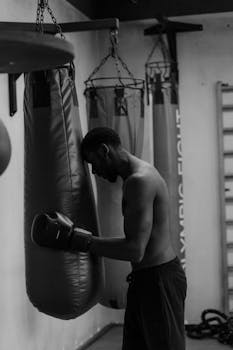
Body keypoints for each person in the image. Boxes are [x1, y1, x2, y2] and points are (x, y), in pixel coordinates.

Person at [31, 127, 187, 350]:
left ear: (105, 150)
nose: (94, 172)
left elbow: (134, 250)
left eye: (93, 162)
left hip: (159, 282)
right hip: (145, 280)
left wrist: (77, 239)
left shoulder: (139, 181)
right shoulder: (137, 178)